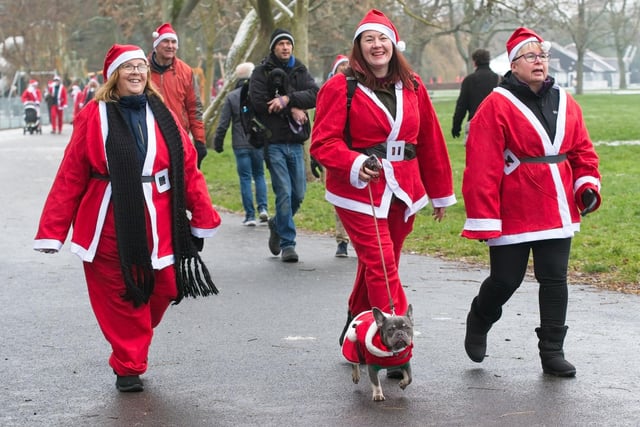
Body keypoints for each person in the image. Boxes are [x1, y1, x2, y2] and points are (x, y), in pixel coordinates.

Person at [33, 44, 222, 392]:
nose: (136, 72)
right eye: (127, 68)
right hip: (109, 220)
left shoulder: (161, 113)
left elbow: (188, 167)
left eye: (140, 67)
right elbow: (71, 174)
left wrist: (202, 215)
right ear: (113, 77)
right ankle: (129, 364)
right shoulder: (95, 114)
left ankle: (134, 337)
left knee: (166, 287)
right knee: (122, 294)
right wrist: (52, 231)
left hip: (160, 217)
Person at [461, 27, 602, 378]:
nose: (539, 62)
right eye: (530, 56)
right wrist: (484, 215)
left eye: (543, 55)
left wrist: (585, 184)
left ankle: (552, 350)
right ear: (514, 64)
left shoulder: (566, 101)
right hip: (514, 206)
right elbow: (482, 164)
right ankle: (480, 317)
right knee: (506, 280)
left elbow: (582, 149)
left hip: (556, 203)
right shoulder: (496, 104)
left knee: (554, 278)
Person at [311, 9, 456, 345]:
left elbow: (430, 141)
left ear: (393, 43)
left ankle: (355, 324)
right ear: (358, 47)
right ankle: (395, 341)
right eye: (369, 39)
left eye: (382, 38)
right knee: (381, 262)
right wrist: (352, 161)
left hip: (403, 188)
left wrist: (440, 192)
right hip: (358, 189)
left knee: (380, 261)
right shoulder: (340, 87)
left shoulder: (413, 84)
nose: (377, 45)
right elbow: (322, 142)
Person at [250, 28, 319, 262]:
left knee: (298, 193)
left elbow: (315, 94)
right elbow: (260, 102)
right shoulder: (261, 71)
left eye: (288, 43)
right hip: (274, 142)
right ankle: (289, 244)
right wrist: (292, 107)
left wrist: (288, 100)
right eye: (280, 44)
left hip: (297, 143)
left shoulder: (299, 68)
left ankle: (276, 224)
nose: (285, 47)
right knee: (283, 192)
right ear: (273, 47)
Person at [213, 62, 269, 226]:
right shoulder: (258, 95)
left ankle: (250, 215)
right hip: (257, 142)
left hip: (240, 144)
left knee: (245, 178)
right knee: (259, 175)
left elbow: (223, 123)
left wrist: (218, 142)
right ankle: (263, 208)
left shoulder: (231, 97)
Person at [149, 23, 208, 168]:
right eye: (166, 41)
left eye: (173, 42)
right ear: (156, 45)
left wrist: (199, 140)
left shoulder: (186, 72)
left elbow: (194, 107)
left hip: (178, 136)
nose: (170, 46)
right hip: (149, 136)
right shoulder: (141, 70)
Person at [326, 54, 351, 257]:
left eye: (347, 66)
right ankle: (342, 241)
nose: (344, 69)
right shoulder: (328, 93)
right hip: (336, 154)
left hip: (359, 153)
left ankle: (362, 241)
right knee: (342, 199)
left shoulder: (360, 91)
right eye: (341, 66)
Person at [451, 49, 500, 144]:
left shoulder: (469, 80)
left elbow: (461, 106)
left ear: (475, 62)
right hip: (495, 124)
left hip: (474, 123)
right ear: (488, 60)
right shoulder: (499, 79)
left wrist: (456, 126)